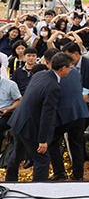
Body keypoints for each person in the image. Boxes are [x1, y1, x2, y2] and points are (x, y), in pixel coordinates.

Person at [5, 53, 72, 182]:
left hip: (18, 119)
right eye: (70, 67)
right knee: (42, 159)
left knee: (17, 153)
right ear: (63, 68)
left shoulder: (41, 75)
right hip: (30, 126)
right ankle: (38, 189)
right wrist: (43, 140)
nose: (71, 70)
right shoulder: (54, 87)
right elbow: (48, 115)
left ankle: (10, 181)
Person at [44, 48, 89, 181]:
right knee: (77, 144)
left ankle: (59, 172)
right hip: (80, 111)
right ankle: (78, 175)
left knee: (51, 141)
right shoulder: (75, 72)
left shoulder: (51, 76)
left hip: (65, 114)